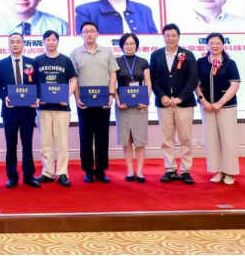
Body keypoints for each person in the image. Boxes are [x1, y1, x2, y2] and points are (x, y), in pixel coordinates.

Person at [71, 21, 119, 184]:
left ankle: (101, 170)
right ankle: (87, 170)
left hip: (103, 101)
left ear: (97, 33)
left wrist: (111, 95)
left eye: (92, 31)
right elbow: (74, 78)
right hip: (84, 102)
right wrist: (77, 98)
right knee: (85, 137)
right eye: (86, 31)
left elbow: (113, 74)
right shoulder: (76, 53)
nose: (89, 34)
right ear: (81, 35)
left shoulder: (107, 52)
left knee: (102, 136)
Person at [150, 24, 198, 185]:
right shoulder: (156, 55)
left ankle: (185, 171)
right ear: (163, 37)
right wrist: (162, 96)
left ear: (179, 36)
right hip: (164, 103)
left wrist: (180, 98)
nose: (170, 38)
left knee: (185, 138)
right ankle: (170, 169)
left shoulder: (188, 55)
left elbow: (193, 79)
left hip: (184, 104)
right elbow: (152, 79)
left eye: (173, 35)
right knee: (167, 139)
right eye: (167, 35)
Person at [0, 32, 40, 188]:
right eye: (12, 42)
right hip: (10, 111)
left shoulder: (32, 63)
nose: (15, 44)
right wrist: (4, 97)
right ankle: (12, 176)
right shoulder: (1, 64)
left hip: (28, 110)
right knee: (11, 144)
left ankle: (29, 176)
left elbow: (38, 84)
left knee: (27, 144)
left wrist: (37, 98)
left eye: (18, 42)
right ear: (8, 45)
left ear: (23, 44)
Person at [197, 33, 241, 185]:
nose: (214, 46)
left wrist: (220, 103)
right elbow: (195, 83)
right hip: (206, 107)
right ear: (207, 45)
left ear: (223, 45)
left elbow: (235, 85)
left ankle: (230, 172)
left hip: (226, 107)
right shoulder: (201, 62)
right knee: (212, 140)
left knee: (228, 139)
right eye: (211, 43)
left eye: (218, 43)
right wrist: (204, 101)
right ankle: (218, 170)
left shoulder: (230, 63)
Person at [34, 30, 77, 187]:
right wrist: (36, 97)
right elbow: (33, 82)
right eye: (48, 39)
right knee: (45, 141)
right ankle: (47, 172)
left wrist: (66, 95)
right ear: (43, 42)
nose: (51, 42)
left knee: (62, 141)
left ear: (58, 41)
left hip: (62, 108)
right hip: (43, 107)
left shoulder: (65, 60)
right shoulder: (37, 61)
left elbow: (73, 80)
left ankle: (62, 173)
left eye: (54, 39)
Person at [113, 33, 152, 183]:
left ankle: (140, 171)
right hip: (123, 106)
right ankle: (130, 170)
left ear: (136, 45)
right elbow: (113, 84)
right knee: (126, 139)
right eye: (126, 44)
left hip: (140, 106)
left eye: (132, 43)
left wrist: (146, 100)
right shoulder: (116, 62)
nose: (129, 46)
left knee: (140, 140)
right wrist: (117, 100)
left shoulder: (143, 62)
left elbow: (148, 83)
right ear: (121, 46)